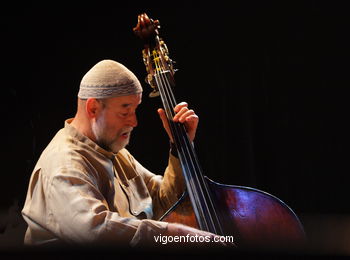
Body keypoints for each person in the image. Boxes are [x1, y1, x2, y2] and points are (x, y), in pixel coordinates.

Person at [21, 59, 225, 248]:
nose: (134, 122)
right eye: (125, 112)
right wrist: (178, 234)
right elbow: (97, 232)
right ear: (93, 108)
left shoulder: (114, 152)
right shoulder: (64, 164)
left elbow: (163, 201)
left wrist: (180, 146)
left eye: (135, 110)